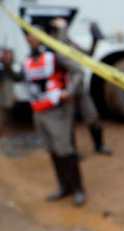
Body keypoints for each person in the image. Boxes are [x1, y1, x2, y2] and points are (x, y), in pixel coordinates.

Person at [14, 29, 87, 206]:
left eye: (33, 34)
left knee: (65, 149)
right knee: (52, 150)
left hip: (58, 111)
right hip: (38, 111)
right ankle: (64, 187)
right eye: (27, 35)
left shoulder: (54, 55)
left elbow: (78, 71)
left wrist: (69, 92)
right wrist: (8, 65)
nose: (30, 38)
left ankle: (78, 189)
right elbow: (20, 78)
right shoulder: (28, 59)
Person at [49, 17, 112, 156]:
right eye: (62, 28)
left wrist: (95, 39)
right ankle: (72, 152)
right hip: (66, 91)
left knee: (93, 117)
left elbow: (87, 54)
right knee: (68, 123)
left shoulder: (68, 43)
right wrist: (69, 91)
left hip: (79, 89)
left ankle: (99, 146)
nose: (65, 30)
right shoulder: (53, 46)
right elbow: (71, 66)